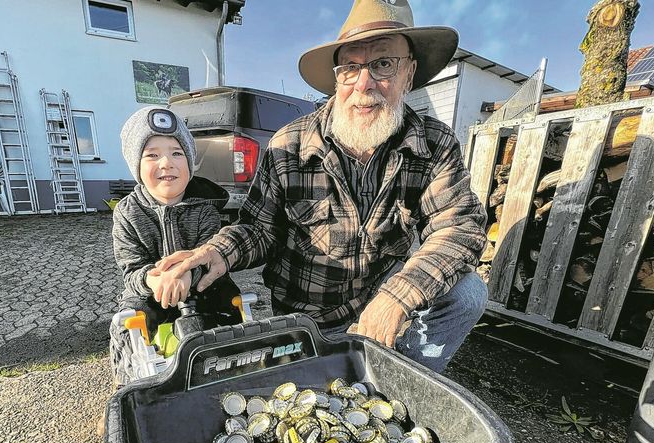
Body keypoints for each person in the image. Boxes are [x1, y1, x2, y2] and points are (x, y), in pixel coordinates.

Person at [156, 0, 488, 374]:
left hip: (378, 305)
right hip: (305, 317)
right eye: (350, 67)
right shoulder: (288, 146)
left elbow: (458, 227)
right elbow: (259, 229)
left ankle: (400, 377)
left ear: (408, 75)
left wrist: (397, 297)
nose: (364, 84)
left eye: (383, 64)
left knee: (469, 293)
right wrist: (215, 253)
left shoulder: (434, 143)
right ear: (337, 77)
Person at [109, 106, 240, 386]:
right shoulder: (126, 212)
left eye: (177, 153)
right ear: (136, 165)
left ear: (190, 163)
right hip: (151, 293)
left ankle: (239, 367)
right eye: (152, 155)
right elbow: (131, 268)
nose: (166, 162)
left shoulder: (206, 207)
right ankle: (125, 388)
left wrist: (187, 275)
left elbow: (210, 256)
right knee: (124, 322)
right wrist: (152, 279)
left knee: (235, 304)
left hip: (204, 286)